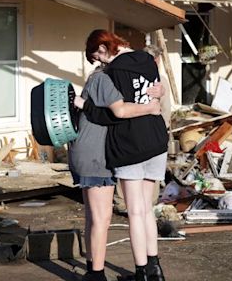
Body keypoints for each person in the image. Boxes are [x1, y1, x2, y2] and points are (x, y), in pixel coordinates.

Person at [76, 29, 168, 281]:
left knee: (136, 211)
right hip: (157, 140)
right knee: (148, 209)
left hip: (131, 144)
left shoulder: (112, 73)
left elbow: (118, 111)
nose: (99, 62)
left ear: (104, 49)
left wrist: (86, 106)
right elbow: (157, 89)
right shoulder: (148, 60)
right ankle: (155, 270)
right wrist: (155, 100)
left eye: (97, 57)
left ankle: (141, 273)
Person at [114, 44, 171, 214]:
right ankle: (145, 204)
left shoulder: (126, 77)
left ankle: (123, 202)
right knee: (146, 175)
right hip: (151, 131)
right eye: (157, 61)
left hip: (131, 130)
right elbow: (165, 109)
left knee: (129, 170)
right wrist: (164, 128)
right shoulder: (157, 80)